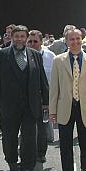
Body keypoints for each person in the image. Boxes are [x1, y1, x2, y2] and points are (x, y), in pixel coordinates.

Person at [0, 25, 50, 171]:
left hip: (30, 104)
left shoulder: (35, 55)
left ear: (26, 38)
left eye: (22, 36)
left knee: (29, 136)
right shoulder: (1, 55)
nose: (19, 39)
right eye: (16, 36)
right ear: (11, 37)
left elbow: (42, 79)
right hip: (8, 104)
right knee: (9, 135)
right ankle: (12, 161)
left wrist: (46, 101)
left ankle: (28, 167)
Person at [49, 26, 86, 171]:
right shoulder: (58, 61)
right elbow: (54, 87)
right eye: (71, 39)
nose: (75, 42)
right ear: (66, 41)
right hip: (65, 107)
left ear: (83, 40)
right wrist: (52, 111)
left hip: (85, 107)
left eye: (78, 39)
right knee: (65, 145)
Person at [27, 29, 56, 163]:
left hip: (44, 97)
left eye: (35, 41)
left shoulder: (51, 57)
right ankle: (27, 151)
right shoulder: (22, 56)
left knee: (42, 126)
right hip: (27, 97)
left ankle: (41, 153)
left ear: (41, 42)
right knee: (27, 126)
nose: (32, 44)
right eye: (30, 41)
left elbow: (56, 79)